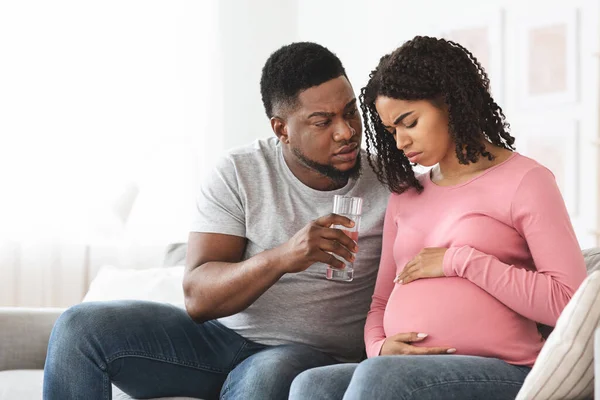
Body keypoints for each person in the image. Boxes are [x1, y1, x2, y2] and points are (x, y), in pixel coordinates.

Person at [42, 42, 390, 400]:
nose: (346, 132)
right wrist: (284, 257)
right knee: (78, 328)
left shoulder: (390, 183)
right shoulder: (239, 172)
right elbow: (198, 298)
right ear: (281, 129)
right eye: (323, 121)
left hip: (308, 355)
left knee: (264, 377)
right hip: (217, 339)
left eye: (350, 112)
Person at [289, 36, 588, 400]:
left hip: (506, 370)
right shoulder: (406, 193)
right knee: (311, 384)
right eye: (391, 131)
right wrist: (379, 348)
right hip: (401, 369)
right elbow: (381, 301)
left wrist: (458, 260)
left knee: (382, 380)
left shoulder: (527, 181)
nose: (400, 142)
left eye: (409, 122)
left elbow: (567, 302)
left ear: (449, 102)